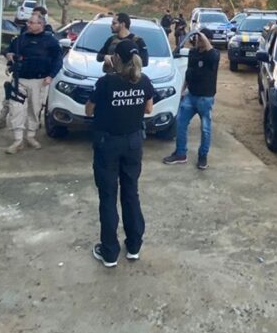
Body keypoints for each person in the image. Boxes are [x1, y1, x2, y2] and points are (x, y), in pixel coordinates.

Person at [85, 39, 154, 267]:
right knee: (131, 193)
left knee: (107, 196)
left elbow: (89, 109)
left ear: (116, 59)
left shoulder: (106, 82)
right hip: (133, 142)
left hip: (108, 144)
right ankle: (133, 246)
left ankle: (110, 252)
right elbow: (148, 108)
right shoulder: (143, 81)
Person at [4, 11, 63, 154]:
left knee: (34, 109)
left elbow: (58, 60)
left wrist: (51, 76)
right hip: (20, 79)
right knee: (16, 108)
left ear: (40, 24)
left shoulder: (51, 41)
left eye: (31, 22)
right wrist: (9, 56)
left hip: (39, 81)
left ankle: (30, 136)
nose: (28, 24)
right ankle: (18, 140)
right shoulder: (21, 39)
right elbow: (8, 50)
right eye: (28, 22)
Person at [163, 27, 220, 169]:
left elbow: (211, 52)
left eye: (201, 38)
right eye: (197, 38)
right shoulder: (193, 53)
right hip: (191, 95)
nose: (198, 40)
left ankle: (203, 156)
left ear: (208, 40)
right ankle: (180, 153)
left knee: (205, 129)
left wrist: (203, 36)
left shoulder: (213, 55)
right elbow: (189, 73)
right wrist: (183, 90)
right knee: (180, 124)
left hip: (205, 99)